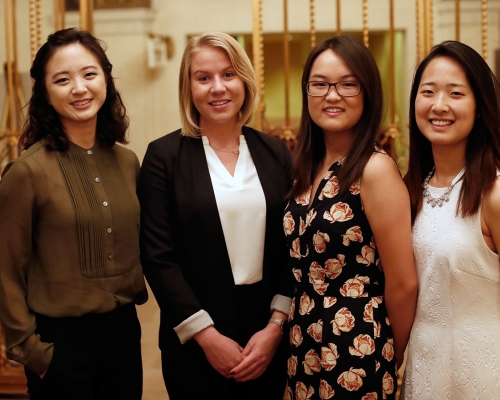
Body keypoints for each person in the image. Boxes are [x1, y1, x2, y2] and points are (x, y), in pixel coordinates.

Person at [137, 32, 292, 399]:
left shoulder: (275, 152)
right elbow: (158, 258)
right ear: (188, 88)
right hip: (195, 337)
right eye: (203, 78)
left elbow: (292, 245)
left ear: (245, 81)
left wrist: (275, 327)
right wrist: (207, 337)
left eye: (228, 74)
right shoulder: (164, 157)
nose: (217, 88)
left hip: (266, 335)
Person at [0, 28, 147, 400]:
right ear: (46, 93)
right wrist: (32, 353)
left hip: (124, 338)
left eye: (89, 74)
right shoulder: (25, 172)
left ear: (106, 81)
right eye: (62, 79)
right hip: (59, 345)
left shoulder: (128, 162)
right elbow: (6, 271)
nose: (79, 88)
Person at [282, 35, 418, 399]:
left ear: (367, 92)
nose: (332, 95)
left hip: (357, 351)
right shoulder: (304, 166)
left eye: (347, 84)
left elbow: (403, 283)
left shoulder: (375, 170)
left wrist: (390, 352)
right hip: (303, 344)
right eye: (320, 84)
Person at [401, 41, 500, 399]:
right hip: (425, 373)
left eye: (456, 93)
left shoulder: (493, 193)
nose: (439, 105)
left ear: (480, 106)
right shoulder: (409, 191)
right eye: (428, 92)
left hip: (483, 375)